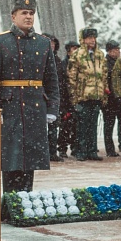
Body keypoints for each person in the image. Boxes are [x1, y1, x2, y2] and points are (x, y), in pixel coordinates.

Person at [0, 0, 59, 192]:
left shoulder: (43, 43)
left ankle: (25, 202)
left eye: (31, 13)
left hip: (35, 106)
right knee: (11, 157)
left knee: (31, 158)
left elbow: (51, 80)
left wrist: (52, 108)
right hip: (10, 107)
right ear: (13, 16)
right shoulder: (0, 42)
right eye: (24, 13)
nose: (28, 17)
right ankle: (10, 203)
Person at [67, 27, 106, 161]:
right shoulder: (77, 55)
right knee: (82, 126)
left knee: (93, 125)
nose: (92, 40)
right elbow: (71, 78)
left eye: (94, 38)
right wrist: (74, 98)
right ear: (83, 40)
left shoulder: (100, 55)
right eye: (89, 38)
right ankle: (81, 151)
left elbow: (104, 76)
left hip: (96, 95)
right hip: (82, 96)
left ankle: (92, 150)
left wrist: (103, 96)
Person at [43, 33, 66, 162]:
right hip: (42, 95)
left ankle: (52, 151)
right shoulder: (40, 58)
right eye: (49, 43)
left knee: (54, 125)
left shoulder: (57, 60)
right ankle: (43, 152)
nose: (51, 45)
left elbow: (61, 80)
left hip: (55, 96)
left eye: (53, 43)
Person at [57, 40, 80, 159]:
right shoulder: (63, 64)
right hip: (66, 98)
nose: (75, 51)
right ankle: (62, 148)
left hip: (77, 98)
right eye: (73, 48)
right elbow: (62, 84)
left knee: (76, 126)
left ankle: (75, 148)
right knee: (65, 126)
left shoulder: (79, 63)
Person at [102, 40, 121, 157]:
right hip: (109, 98)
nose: (118, 52)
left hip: (118, 98)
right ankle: (110, 149)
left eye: (118, 49)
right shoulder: (105, 63)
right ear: (109, 51)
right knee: (109, 124)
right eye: (115, 50)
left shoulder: (119, 62)